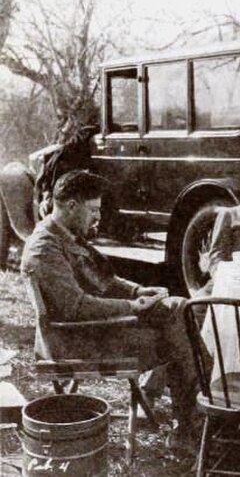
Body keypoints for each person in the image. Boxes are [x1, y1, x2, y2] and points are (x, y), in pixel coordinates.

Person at [21, 170, 200, 455]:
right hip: (73, 343)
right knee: (180, 333)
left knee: (181, 311)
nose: (98, 217)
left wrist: (136, 291)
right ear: (71, 206)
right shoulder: (45, 249)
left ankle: (193, 423)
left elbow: (103, 280)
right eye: (93, 210)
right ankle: (196, 423)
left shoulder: (63, 234)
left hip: (92, 331)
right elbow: (76, 308)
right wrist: (131, 308)